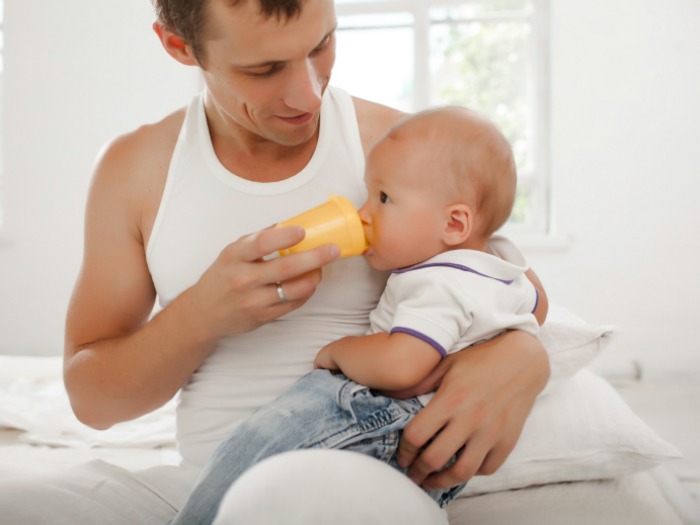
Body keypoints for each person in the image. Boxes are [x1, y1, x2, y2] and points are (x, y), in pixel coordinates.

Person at [0, 1, 550, 523]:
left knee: (289, 500)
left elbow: (508, 289)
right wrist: (202, 314)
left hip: (355, 469)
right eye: (263, 69)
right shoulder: (136, 170)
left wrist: (523, 354)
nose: (308, 95)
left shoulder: (401, 151)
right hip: (204, 477)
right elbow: (94, 402)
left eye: (323, 44)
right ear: (180, 45)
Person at [171, 105, 547, 525]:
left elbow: (402, 364)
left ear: (455, 224)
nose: (364, 213)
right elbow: (538, 305)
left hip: (381, 414)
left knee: (260, 443)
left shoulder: (440, 283)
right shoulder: (499, 262)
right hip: (420, 440)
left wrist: (338, 352)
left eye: (384, 198)